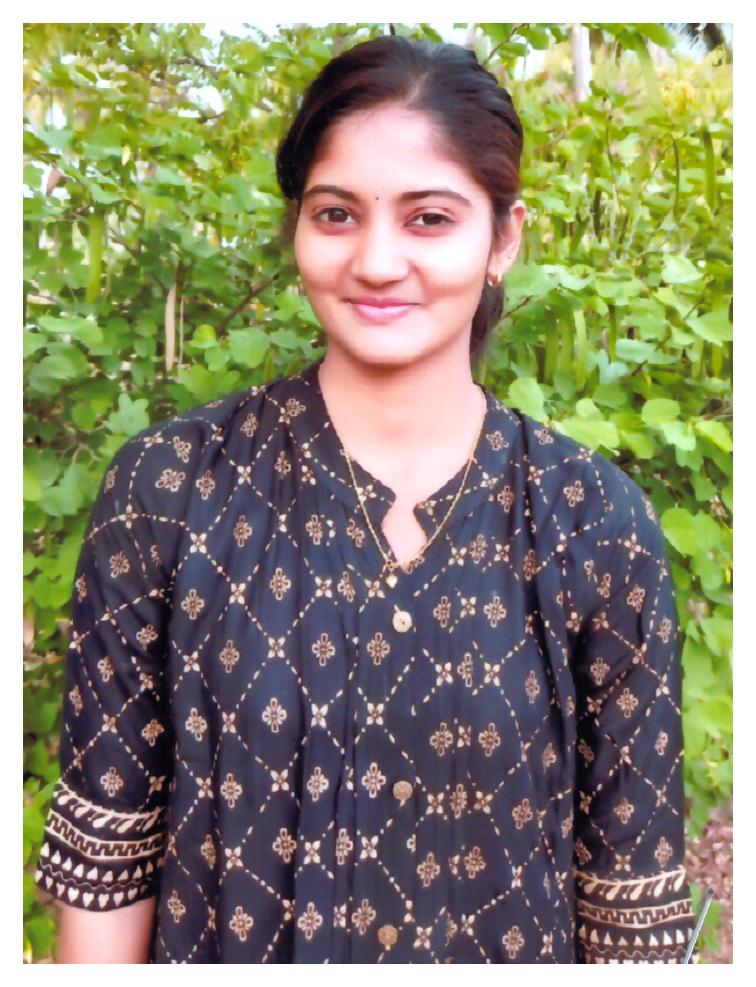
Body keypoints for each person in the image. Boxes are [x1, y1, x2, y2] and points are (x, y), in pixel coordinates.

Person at [34, 34, 695, 963]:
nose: (378, 261)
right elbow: (110, 856)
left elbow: (631, 905)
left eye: (430, 218)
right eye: (337, 213)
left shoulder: (594, 523)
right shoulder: (171, 490)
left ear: (504, 237)